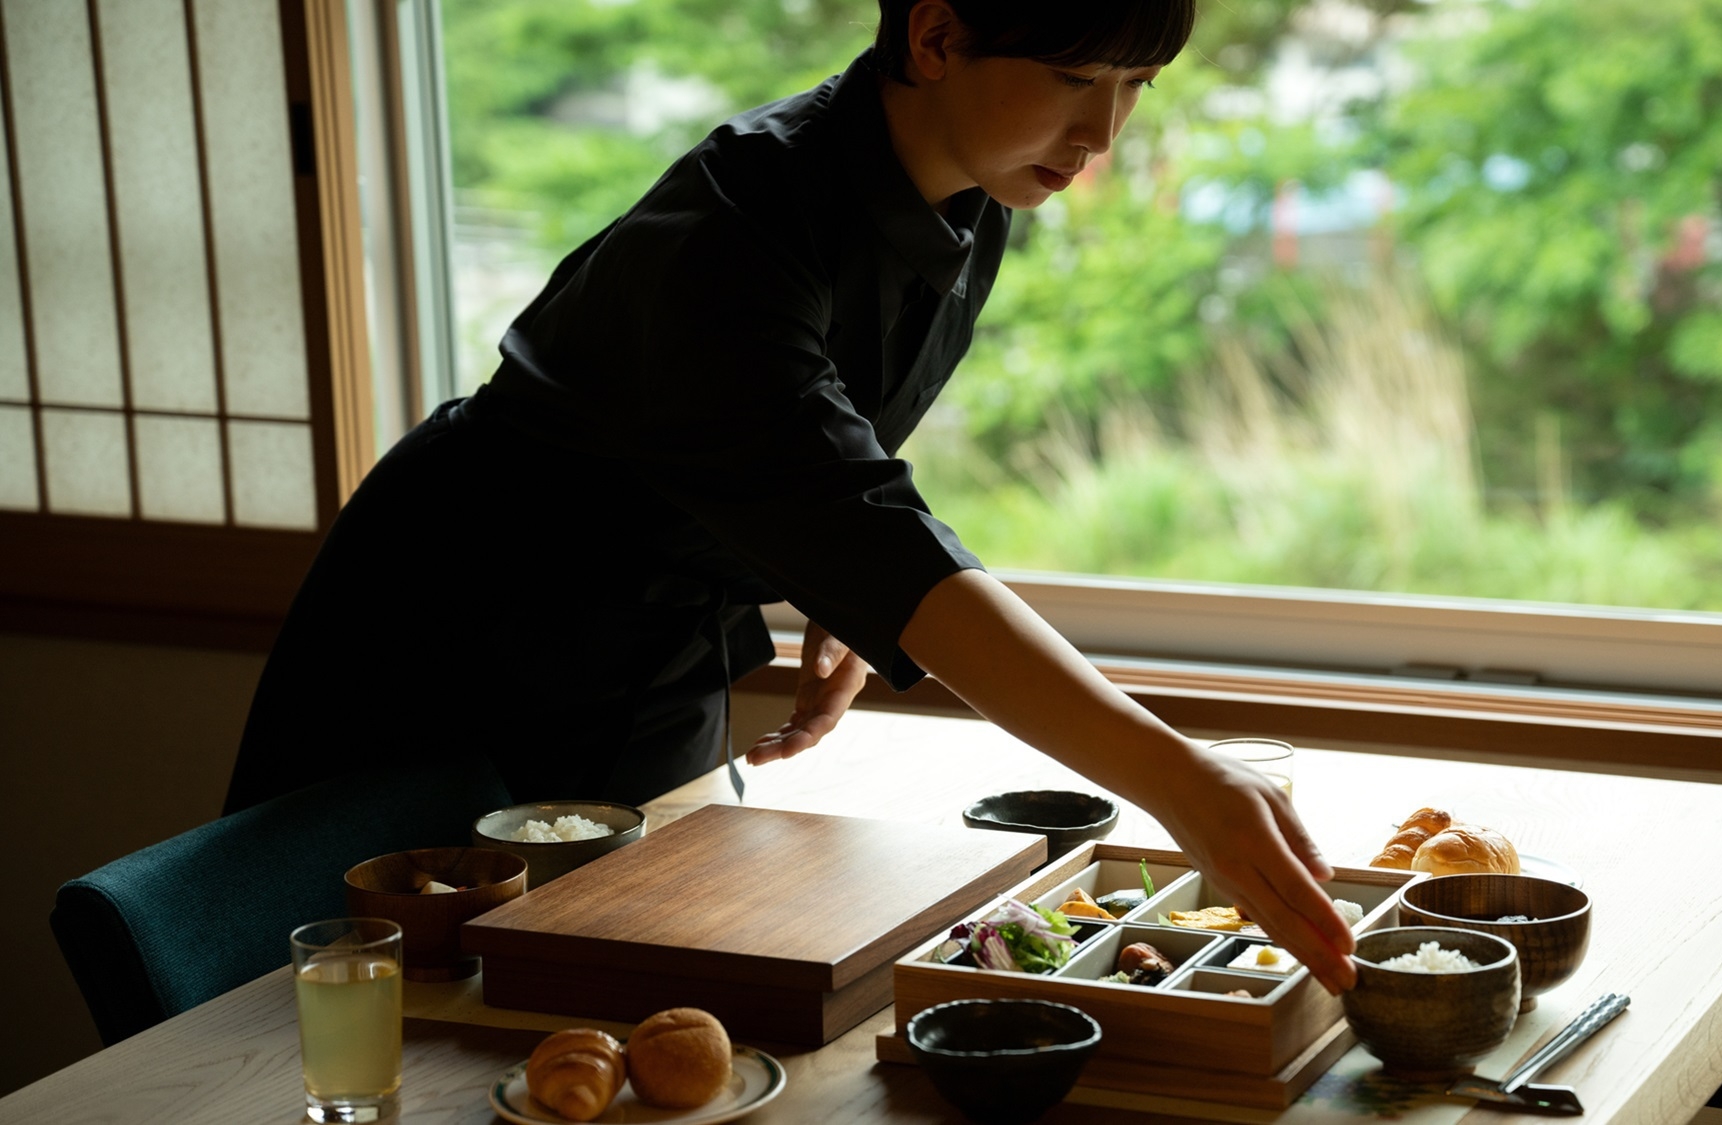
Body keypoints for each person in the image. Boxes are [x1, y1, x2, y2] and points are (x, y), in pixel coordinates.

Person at [225, 0, 1357, 992]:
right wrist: (1176, 777)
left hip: (652, 651)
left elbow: (823, 457)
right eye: (1074, 78)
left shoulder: (973, 200)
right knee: (349, 1023)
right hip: (453, 634)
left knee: (631, 1001)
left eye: (1134, 86)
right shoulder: (732, 228)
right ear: (935, 35)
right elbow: (837, 494)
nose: (1103, 133)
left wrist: (826, 576)